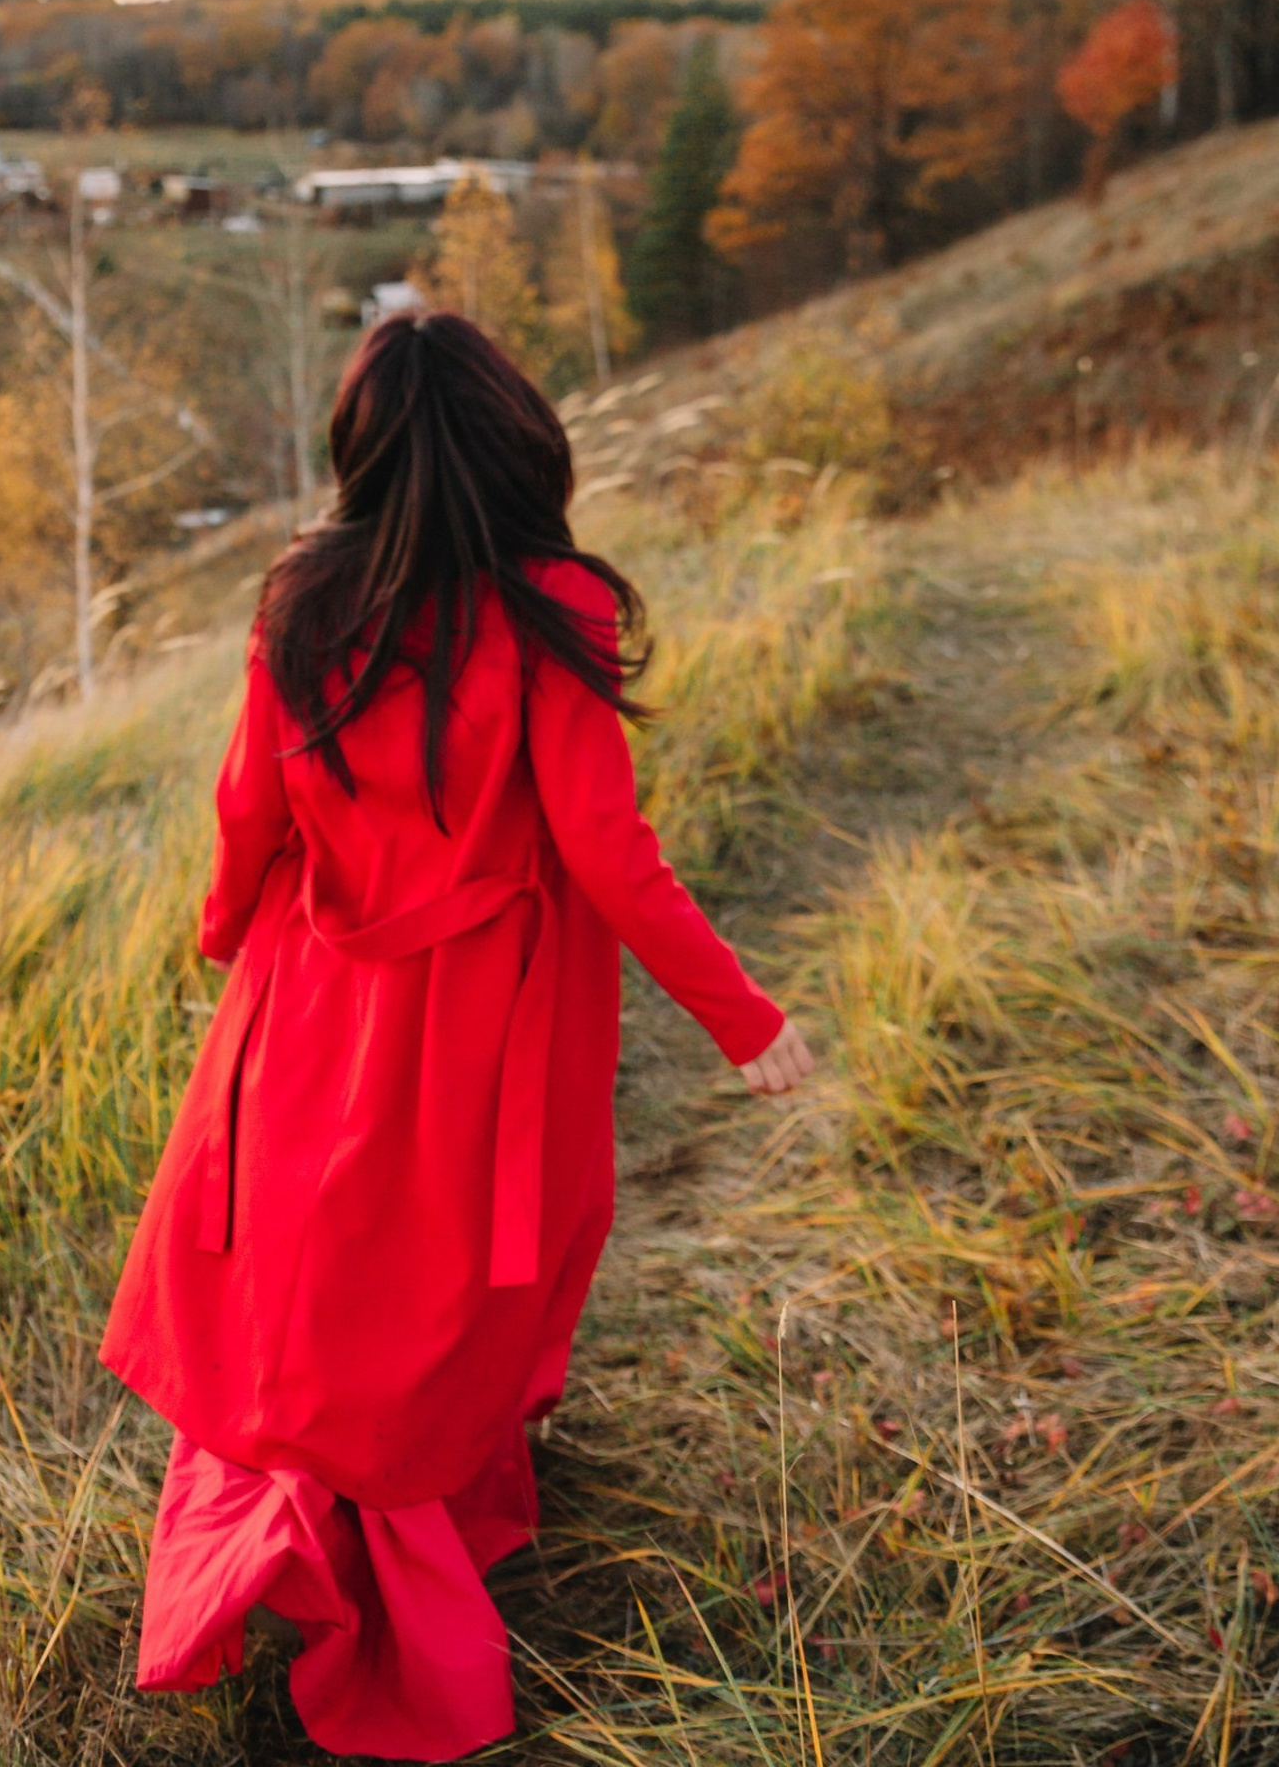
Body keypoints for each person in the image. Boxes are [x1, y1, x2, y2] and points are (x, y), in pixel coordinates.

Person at [100, 311, 813, 1761]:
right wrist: (747, 1021)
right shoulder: (550, 604)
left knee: (319, 1279)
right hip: (479, 1026)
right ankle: (402, 1575)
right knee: (436, 1296)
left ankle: (311, 1555)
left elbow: (251, 811)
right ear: (517, 444)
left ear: (359, 454)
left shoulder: (302, 595)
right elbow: (611, 855)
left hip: (308, 992)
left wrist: (228, 935)